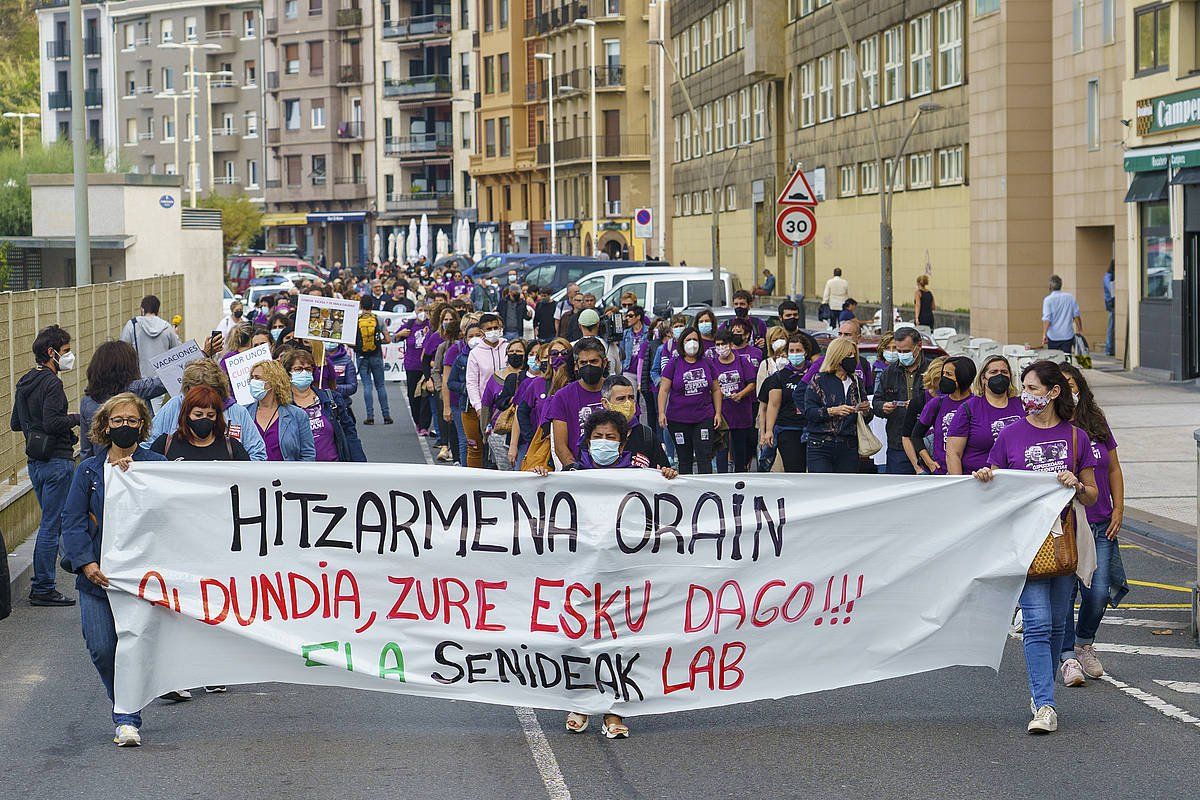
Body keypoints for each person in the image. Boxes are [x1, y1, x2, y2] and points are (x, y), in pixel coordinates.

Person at [532, 409, 676, 740]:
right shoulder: (573, 473)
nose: (604, 443)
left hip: (624, 573)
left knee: (620, 641)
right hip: (582, 574)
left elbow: (665, 500)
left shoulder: (641, 474)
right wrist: (541, 476)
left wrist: (666, 475)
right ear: (587, 440)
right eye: (598, 437)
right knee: (581, 638)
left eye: (611, 437)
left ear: (623, 441)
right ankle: (582, 704)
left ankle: (614, 710)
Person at [973, 361, 1099, 734]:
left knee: (1058, 624)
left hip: (1063, 543)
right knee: (1038, 623)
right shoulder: (1010, 436)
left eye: (1032, 388)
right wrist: (985, 477)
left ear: (1053, 392)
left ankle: (1045, 691)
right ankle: (1044, 703)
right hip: (1025, 544)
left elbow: (1091, 496)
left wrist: (1076, 484)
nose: (1025, 395)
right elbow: (993, 483)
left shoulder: (1076, 438)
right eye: (1023, 387)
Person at [61, 393, 166, 746]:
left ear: (142, 425)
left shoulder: (157, 465)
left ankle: (126, 717)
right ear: (105, 425)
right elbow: (72, 521)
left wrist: (136, 478)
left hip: (141, 581)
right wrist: (86, 563)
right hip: (98, 580)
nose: (125, 426)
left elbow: (169, 517)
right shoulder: (88, 471)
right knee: (102, 647)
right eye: (117, 421)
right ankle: (124, 700)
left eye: (132, 421)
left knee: (134, 646)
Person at [1059, 362, 1127, 685]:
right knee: (1063, 592)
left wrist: (1119, 508)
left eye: (1072, 384)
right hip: (1065, 525)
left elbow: (1113, 468)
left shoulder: (1096, 423)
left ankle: (1083, 643)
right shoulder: (1049, 427)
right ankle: (1066, 657)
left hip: (1099, 522)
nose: (1068, 391)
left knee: (1098, 593)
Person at [10, 324, 80, 606]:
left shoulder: (26, 381)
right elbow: (53, 422)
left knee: (52, 522)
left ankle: (61, 568)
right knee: (51, 525)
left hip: (35, 464)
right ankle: (43, 586)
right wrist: (76, 419)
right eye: (65, 351)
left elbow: (16, 423)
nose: (69, 356)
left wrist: (34, 429)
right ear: (51, 353)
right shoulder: (52, 383)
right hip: (57, 461)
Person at [146, 359, 267, 460]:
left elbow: (258, 454)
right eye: (198, 414)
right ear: (187, 389)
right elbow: (147, 445)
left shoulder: (237, 412)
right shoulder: (174, 406)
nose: (203, 397)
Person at [80, 341, 167, 459]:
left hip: (104, 467)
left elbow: (87, 448)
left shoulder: (88, 401)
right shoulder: (136, 390)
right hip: (140, 464)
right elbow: (165, 381)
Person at [279, 347, 366, 462]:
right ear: (288, 373)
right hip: (300, 472)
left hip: (333, 469)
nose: (304, 373)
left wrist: (360, 463)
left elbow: (350, 434)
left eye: (308, 369)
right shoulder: (282, 405)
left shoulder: (331, 399)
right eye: (298, 369)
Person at [657, 326, 723, 475]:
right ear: (681, 343)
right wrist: (661, 412)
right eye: (688, 340)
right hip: (678, 419)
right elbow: (664, 390)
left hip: (704, 417)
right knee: (684, 458)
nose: (692, 343)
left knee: (704, 456)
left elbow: (716, 389)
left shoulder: (707, 362)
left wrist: (718, 412)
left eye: (695, 339)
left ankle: (706, 490)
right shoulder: (673, 363)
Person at [802, 337, 873, 473]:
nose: (853, 358)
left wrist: (865, 411)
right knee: (821, 487)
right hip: (821, 444)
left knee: (846, 489)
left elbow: (867, 417)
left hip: (848, 445)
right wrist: (832, 411)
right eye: (849, 355)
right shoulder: (819, 380)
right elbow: (810, 412)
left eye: (854, 355)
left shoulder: (856, 382)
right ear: (838, 357)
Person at [945, 355, 1023, 476]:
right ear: (983, 378)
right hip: (979, 480)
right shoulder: (968, 409)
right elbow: (953, 454)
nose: (1000, 375)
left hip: (1016, 480)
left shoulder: (1022, 405)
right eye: (993, 372)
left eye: (1004, 372)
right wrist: (959, 488)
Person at [872, 328, 928, 475]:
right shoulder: (889, 372)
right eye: (899, 351)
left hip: (927, 441)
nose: (902, 355)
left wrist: (920, 405)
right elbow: (877, 402)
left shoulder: (931, 370)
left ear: (919, 346)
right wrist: (883, 407)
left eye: (906, 351)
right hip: (898, 443)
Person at [760, 332, 818, 472]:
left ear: (806, 352)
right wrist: (768, 431)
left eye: (798, 350)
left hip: (813, 429)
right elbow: (773, 405)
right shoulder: (779, 377)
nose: (795, 354)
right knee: (794, 470)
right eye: (791, 351)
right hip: (788, 430)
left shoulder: (815, 373)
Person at [547, 338, 609, 468]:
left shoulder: (618, 390)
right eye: (583, 362)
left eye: (593, 361)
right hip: (579, 471)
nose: (588, 366)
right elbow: (560, 446)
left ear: (604, 362)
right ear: (576, 366)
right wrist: (574, 470)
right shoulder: (562, 396)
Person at [910, 355, 976, 475]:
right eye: (943, 374)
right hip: (942, 474)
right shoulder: (936, 404)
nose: (944, 378)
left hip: (972, 474)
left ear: (963, 377)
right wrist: (930, 463)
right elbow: (916, 436)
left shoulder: (977, 404)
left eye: (949, 374)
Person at [150, 385, 251, 461]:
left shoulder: (232, 446)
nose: (204, 419)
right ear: (186, 415)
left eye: (210, 415)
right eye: (198, 415)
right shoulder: (165, 444)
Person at [247, 360, 316, 462]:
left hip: (286, 476)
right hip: (252, 476)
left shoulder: (297, 415)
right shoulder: (245, 412)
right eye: (252, 378)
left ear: (273, 382)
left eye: (257, 378)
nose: (253, 381)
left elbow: (308, 455)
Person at [709, 330, 757, 472]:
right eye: (717, 344)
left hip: (740, 412)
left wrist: (741, 394)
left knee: (740, 450)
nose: (720, 347)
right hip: (721, 413)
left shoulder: (742, 361)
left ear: (730, 345)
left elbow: (752, 383)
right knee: (721, 450)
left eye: (723, 344)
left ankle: (740, 476)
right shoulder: (712, 364)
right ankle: (722, 478)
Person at [466, 313, 508, 465]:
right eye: (489, 329)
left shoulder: (508, 347)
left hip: (508, 406)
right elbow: (471, 383)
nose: (493, 331)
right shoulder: (475, 354)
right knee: (486, 445)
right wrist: (478, 407)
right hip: (487, 408)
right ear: (482, 332)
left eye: (496, 327)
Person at [480, 338, 528, 470]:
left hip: (524, 435)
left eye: (518, 351)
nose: (515, 354)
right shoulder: (496, 377)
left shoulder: (530, 377)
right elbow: (486, 405)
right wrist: (485, 432)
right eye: (511, 351)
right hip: (500, 431)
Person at [120, 295, 183, 378]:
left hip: (139, 380)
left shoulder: (132, 325)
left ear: (142, 309)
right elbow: (179, 352)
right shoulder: (167, 327)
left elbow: (121, 352)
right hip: (163, 381)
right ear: (157, 310)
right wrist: (175, 335)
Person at [394, 306, 432, 435]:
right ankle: (417, 421)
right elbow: (395, 338)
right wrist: (400, 334)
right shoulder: (410, 324)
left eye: (425, 311)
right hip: (412, 365)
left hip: (426, 366)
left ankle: (424, 425)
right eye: (420, 310)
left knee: (425, 395)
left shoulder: (431, 325)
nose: (422, 313)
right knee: (413, 395)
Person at [355, 295, 392, 425]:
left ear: (360, 306)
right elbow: (388, 339)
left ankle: (370, 416)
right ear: (372, 305)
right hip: (376, 355)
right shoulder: (378, 319)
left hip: (361, 356)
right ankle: (386, 415)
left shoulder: (356, 320)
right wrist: (378, 343)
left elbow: (350, 342)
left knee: (367, 386)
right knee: (380, 385)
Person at [1042, 275, 1082, 353]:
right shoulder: (1070, 297)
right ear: (1061, 285)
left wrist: (1044, 334)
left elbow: (1047, 319)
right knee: (1067, 359)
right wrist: (1080, 329)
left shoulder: (1048, 300)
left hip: (1053, 336)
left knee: (1054, 360)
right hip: (1067, 335)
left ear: (1050, 286)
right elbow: (1076, 315)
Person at [1103, 261, 1116, 356]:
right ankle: (1108, 347)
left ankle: (1109, 347)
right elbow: (1111, 289)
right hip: (1111, 302)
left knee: (1112, 324)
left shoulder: (1109, 276)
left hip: (1112, 301)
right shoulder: (1108, 276)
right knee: (1111, 325)